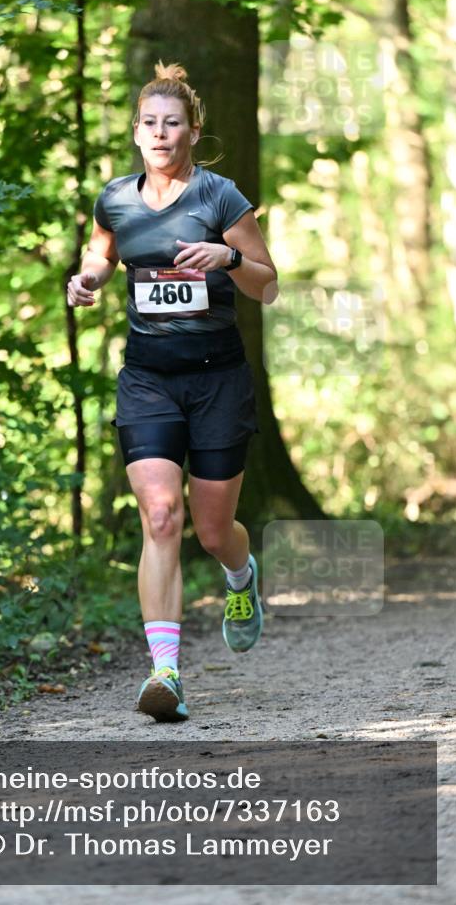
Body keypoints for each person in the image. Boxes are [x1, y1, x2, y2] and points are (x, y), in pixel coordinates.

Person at [67, 61, 278, 723]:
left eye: (173, 123)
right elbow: (100, 254)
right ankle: (164, 672)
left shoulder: (220, 198)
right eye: (150, 124)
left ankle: (240, 579)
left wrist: (231, 259)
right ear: (136, 133)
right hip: (148, 380)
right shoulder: (115, 199)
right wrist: (87, 280)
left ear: (192, 131)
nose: (161, 134)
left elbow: (267, 284)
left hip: (218, 380)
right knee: (160, 515)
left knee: (215, 533)